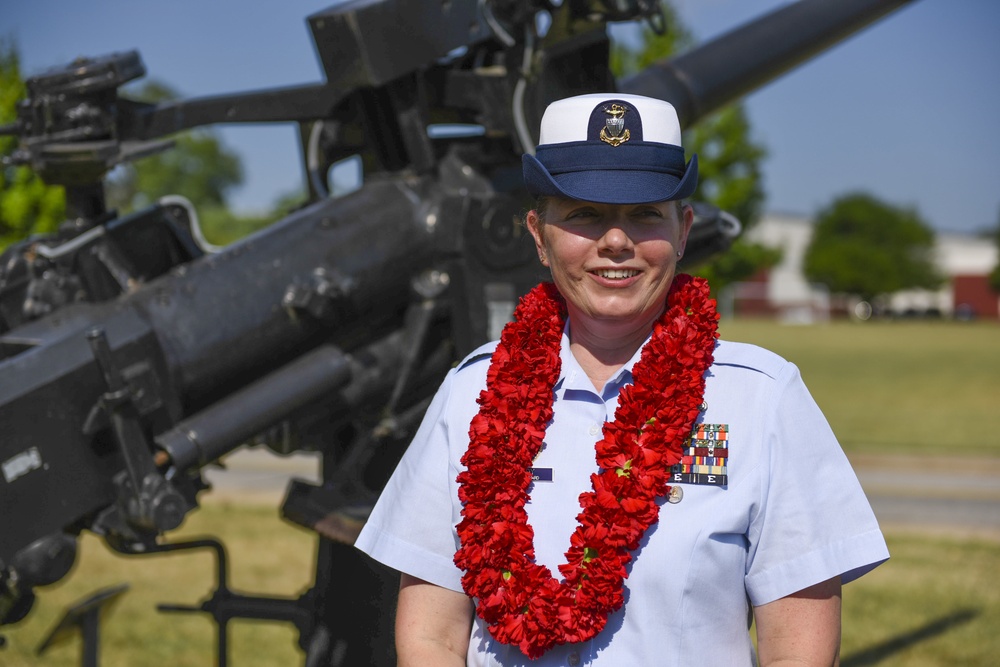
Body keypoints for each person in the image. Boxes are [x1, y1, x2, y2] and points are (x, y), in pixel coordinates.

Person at [354, 93, 889, 666]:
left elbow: (797, 652)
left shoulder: (760, 397)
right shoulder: (472, 393)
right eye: (584, 213)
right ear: (538, 235)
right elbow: (431, 637)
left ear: (683, 231)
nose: (616, 240)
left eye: (644, 214)